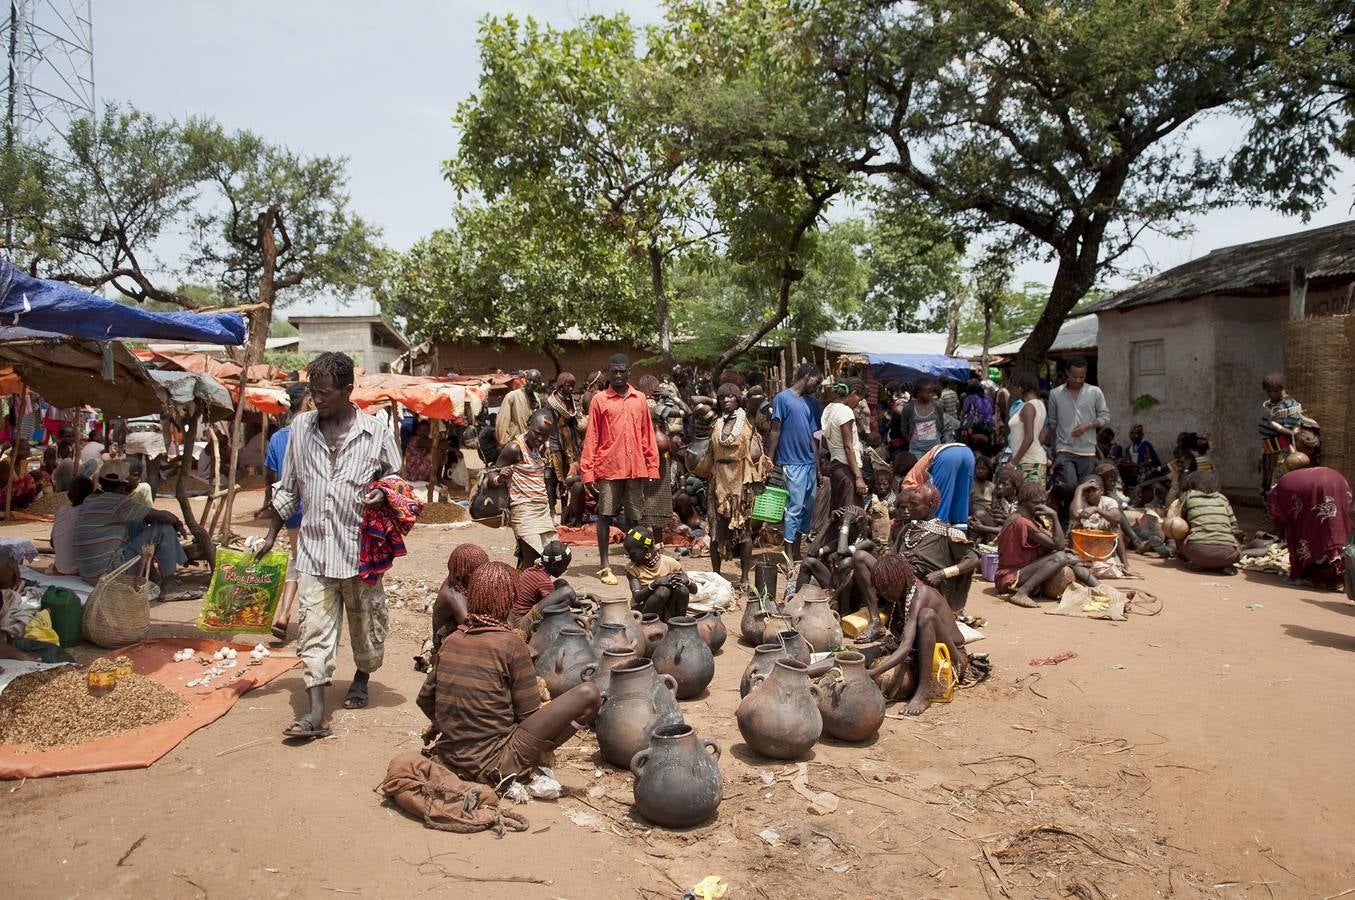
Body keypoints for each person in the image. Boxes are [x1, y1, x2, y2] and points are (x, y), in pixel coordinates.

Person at [259, 351, 404, 739]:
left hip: (361, 555)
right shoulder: (300, 429)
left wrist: (383, 494)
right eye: (313, 391)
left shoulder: (375, 433)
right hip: (315, 553)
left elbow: (396, 480)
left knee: (366, 630)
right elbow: (288, 488)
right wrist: (271, 535)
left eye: (325, 393)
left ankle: (361, 676)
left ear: (347, 390)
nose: (316, 399)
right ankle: (316, 714)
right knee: (314, 633)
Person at [417, 562, 602, 786]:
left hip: (451, 755)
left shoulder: (451, 641)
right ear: (509, 600)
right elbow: (527, 715)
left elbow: (424, 699)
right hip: (497, 764)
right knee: (589, 694)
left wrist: (452, 726)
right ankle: (538, 757)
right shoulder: (511, 644)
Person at [852, 553, 972, 717]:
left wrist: (874, 672)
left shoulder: (920, 596)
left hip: (950, 657)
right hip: (916, 650)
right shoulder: (899, 583)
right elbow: (863, 557)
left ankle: (924, 693)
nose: (883, 593)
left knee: (927, 616)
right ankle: (814, 668)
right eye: (880, 589)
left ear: (899, 580)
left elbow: (905, 647)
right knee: (856, 656)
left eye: (885, 588)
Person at [579, 355, 659, 585]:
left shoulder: (639, 398)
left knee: (635, 517)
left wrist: (652, 466)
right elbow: (592, 437)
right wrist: (588, 471)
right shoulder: (599, 400)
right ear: (608, 372)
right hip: (608, 466)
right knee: (605, 515)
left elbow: (647, 434)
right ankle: (604, 564)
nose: (618, 375)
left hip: (635, 467)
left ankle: (635, 560)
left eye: (622, 371)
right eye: (614, 371)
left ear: (628, 372)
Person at [72, 460, 186, 589]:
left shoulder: (91, 499)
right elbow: (166, 517)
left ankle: (155, 577)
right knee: (164, 528)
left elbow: (146, 518)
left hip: (90, 576)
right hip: (109, 575)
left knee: (137, 522)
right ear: (124, 484)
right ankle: (169, 586)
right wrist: (177, 523)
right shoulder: (117, 502)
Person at [996, 481, 1100, 608]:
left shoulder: (1025, 518)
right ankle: (1022, 592)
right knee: (1060, 557)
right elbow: (1059, 545)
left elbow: (1048, 546)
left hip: (1021, 571)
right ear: (1023, 501)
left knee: (1071, 558)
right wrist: (1054, 516)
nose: (1040, 507)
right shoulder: (1022, 522)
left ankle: (1101, 589)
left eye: (1042, 502)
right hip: (1010, 576)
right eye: (1036, 503)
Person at [264, 384, 312, 644]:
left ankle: (283, 613)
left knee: (297, 559)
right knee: (314, 565)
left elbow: (274, 481)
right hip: (315, 507)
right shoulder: (315, 433)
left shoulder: (277, 438)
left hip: (289, 510)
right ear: (308, 401)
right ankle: (307, 619)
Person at [708, 382, 768, 586]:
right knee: (715, 530)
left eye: (730, 396)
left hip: (741, 480)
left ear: (738, 399)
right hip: (718, 480)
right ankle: (716, 575)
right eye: (722, 397)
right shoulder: (716, 422)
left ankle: (744, 578)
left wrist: (745, 395)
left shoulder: (748, 419)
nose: (726, 400)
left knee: (744, 531)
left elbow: (757, 394)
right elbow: (695, 403)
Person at [890, 485, 979, 617]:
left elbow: (973, 559)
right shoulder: (907, 530)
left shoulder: (947, 533)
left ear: (930, 506)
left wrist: (942, 574)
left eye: (914, 504)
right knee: (862, 558)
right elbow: (890, 557)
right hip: (901, 583)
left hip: (927, 591)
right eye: (909, 504)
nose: (909, 508)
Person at [767, 363, 824, 562]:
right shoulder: (782, 399)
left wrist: (818, 467)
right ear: (807, 375)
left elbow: (815, 437)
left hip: (809, 463)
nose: (817, 386)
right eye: (817, 381)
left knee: (806, 510)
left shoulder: (813, 403)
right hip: (791, 462)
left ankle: (797, 551)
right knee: (794, 508)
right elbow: (775, 430)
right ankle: (788, 554)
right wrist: (769, 459)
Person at [491, 408, 560, 569]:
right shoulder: (515, 448)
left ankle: (523, 583)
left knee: (552, 556)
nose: (540, 438)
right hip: (524, 510)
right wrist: (499, 478)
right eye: (537, 433)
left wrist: (550, 510)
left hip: (542, 511)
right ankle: (526, 585)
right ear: (529, 425)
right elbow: (491, 473)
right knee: (534, 562)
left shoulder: (539, 449)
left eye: (545, 436)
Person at [1266, 465, 1353, 590]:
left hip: (1315, 492)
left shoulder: (1283, 484)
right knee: (1334, 528)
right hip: (1338, 482)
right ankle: (1341, 571)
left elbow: (1282, 518)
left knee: (1306, 531)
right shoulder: (1307, 476)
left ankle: (1312, 575)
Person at [1045, 357, 1109, 518]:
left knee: (1083, 489)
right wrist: (1054, 448)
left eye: (1082, 376)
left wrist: (1088, 425)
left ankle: (1072, 519)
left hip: (1087, 450)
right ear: (1067, 373)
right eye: (1075, 376)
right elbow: (1052, 423)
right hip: (1064, 448)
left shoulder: (1095, 392)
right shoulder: (1055, 394)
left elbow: (1105, 417)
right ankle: (1058, 503)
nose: (1078, 380)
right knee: (1068, 484)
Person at [1169, 470, 1241, 573]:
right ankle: (1224, 565)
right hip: (1228, 555)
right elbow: (1235, 528)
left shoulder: (1188, 495)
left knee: (1177, 529)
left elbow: (1179, 523)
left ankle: (1198, 562)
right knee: (1235, 539)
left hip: (1197, 552)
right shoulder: (1222, 498)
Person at [622, 525, 694, 620]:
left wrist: (687, 581)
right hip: (643, 610)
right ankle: (649, 624)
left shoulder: (670, 563)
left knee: (682, 589)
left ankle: (678, 622)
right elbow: (637, 598)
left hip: (666, 609)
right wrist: (656, 583)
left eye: (632, 554)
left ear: (645, 549)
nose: (630, 558)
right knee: (662, 591)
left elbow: (694, 590)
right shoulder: (631, 568)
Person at [901, 442, 976, 528]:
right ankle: (960, 532)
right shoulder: (916, 476)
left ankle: (937, 532)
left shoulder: (907, 484)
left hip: (946, 454)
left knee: (938, 503)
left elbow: (913, 503)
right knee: (960, 501)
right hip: (967, 452)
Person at [543, 372, 586, 521]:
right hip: (554, 444)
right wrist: (547, 445)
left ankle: (565, 509)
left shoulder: (571, 402)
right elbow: (547, 424)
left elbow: (573, 422)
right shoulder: (550, 403)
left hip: (570, 445)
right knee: (552, 477)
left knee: (568, 477)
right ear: (561, 385)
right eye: (568, 385)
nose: (571, 388)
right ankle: (552, 510)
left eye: (573, 386)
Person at [431, 543, 490, 652]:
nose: (483, 575)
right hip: (446, 647)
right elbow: (472, 628)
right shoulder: (453, 596)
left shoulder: (459, 581)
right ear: (463, 573)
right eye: (478, 572)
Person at [822, 378, 869, 513]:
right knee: (850, 515)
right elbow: (848, 447)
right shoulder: (845, 411)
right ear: (853, 393)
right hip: (847, 469)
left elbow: (824, 442)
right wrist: (858, 477)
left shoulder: (828, 409)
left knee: (838, 513)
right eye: (859, 400)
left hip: (836, 468)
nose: (858, 404)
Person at [1069, 475, 1132, 575]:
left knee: (1116, 528)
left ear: (1102, 491)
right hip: (1083, 549)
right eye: (1087, 490)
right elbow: (1076, 514)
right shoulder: (1080, 502)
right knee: (1076, 527)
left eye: (1094, 490)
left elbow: (1117, 518)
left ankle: (1126, 565)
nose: (1090, 493)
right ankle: (1076, 562)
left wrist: (1096, 509)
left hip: (1102, 550)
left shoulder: (1108, 501)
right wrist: (1079, 489)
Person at [511, 540, 577, 629]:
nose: (565, 569)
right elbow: (551, 606)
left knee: (561, 583)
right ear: (554, 565)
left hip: (512, 617)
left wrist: (585, 596)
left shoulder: (531, 570)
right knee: (568, 592)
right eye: (564, 566)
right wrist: (573, 601)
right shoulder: (544, 581)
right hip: (519, 624)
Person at [1258, 372, 1304, 500]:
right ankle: (1268, 510)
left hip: (1283, 449)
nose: (1270, 394)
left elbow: (1295, 431)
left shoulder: (1291, 405)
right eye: (1268, 391)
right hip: (1268, 450)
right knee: (1266, 483)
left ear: (1282, 389)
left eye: (1273, 391)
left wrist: (1276, 426)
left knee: (1278, 483)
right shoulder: (1270, 404)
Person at [50, 476, 93, 576]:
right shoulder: (89, 511)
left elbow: (52, 542)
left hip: (60, 568)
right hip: (79, 572)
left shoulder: (62, 511)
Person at [896, 379, 950, 456]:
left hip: (934, 449)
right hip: (916, 450)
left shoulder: (937, 406)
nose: (931, 394)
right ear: (919, 392)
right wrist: (910, 440)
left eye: (932, 392)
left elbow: (941, 425)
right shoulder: (909, 408)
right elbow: (904, 429)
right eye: (928, 392)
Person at [495, 369, 543, 451]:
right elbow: (502, 421)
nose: (531, 383)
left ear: (538, 383)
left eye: (535, 381)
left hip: (530, 444)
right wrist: (504, 442)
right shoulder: (512, 396)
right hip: (514, 442)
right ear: (525, 379)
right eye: (529, 380)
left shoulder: (537, 399)